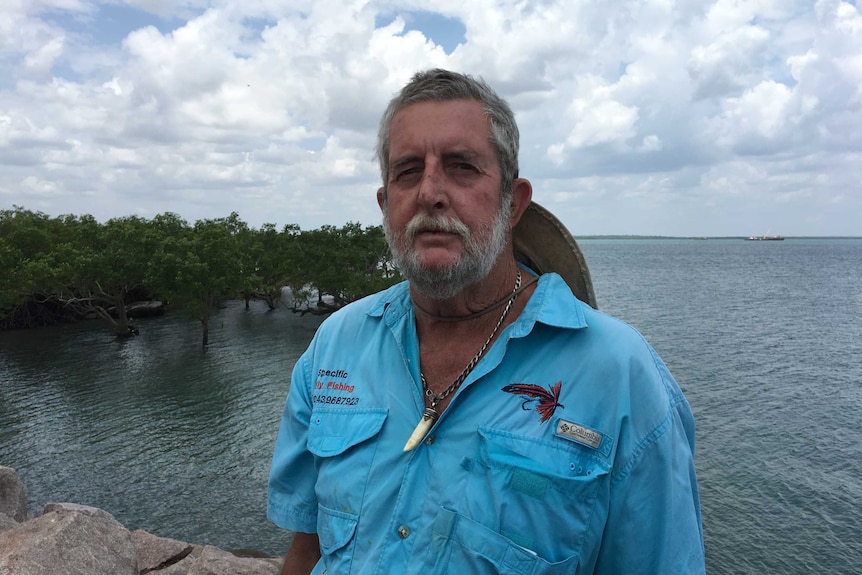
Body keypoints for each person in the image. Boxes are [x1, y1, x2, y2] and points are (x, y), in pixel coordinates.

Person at [267, 68, 705, 575]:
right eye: (407, 170)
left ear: (512, 203)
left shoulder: (620, 374)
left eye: (462, 167)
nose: (430, 191)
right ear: (386, 205)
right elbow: (307, 550)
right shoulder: (334, 346)